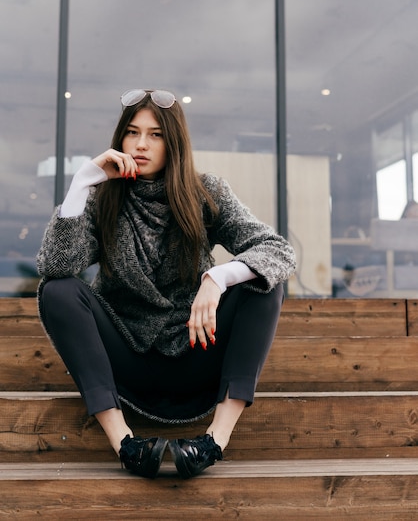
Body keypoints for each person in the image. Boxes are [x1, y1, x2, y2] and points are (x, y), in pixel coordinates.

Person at [37, 88, 296, 480]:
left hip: (196, 353)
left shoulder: (206, 192)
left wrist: (217, 278)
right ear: (120, 138)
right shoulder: (104, 198)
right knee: (57, 290)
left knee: (263, 281)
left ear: (173, 141)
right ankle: (125, 443)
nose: (141, 144)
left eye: (155, 134)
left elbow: (278, 251)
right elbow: (57, 266)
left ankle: (214, 442)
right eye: (132, 132)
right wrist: (81, 184)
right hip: (127, 360)